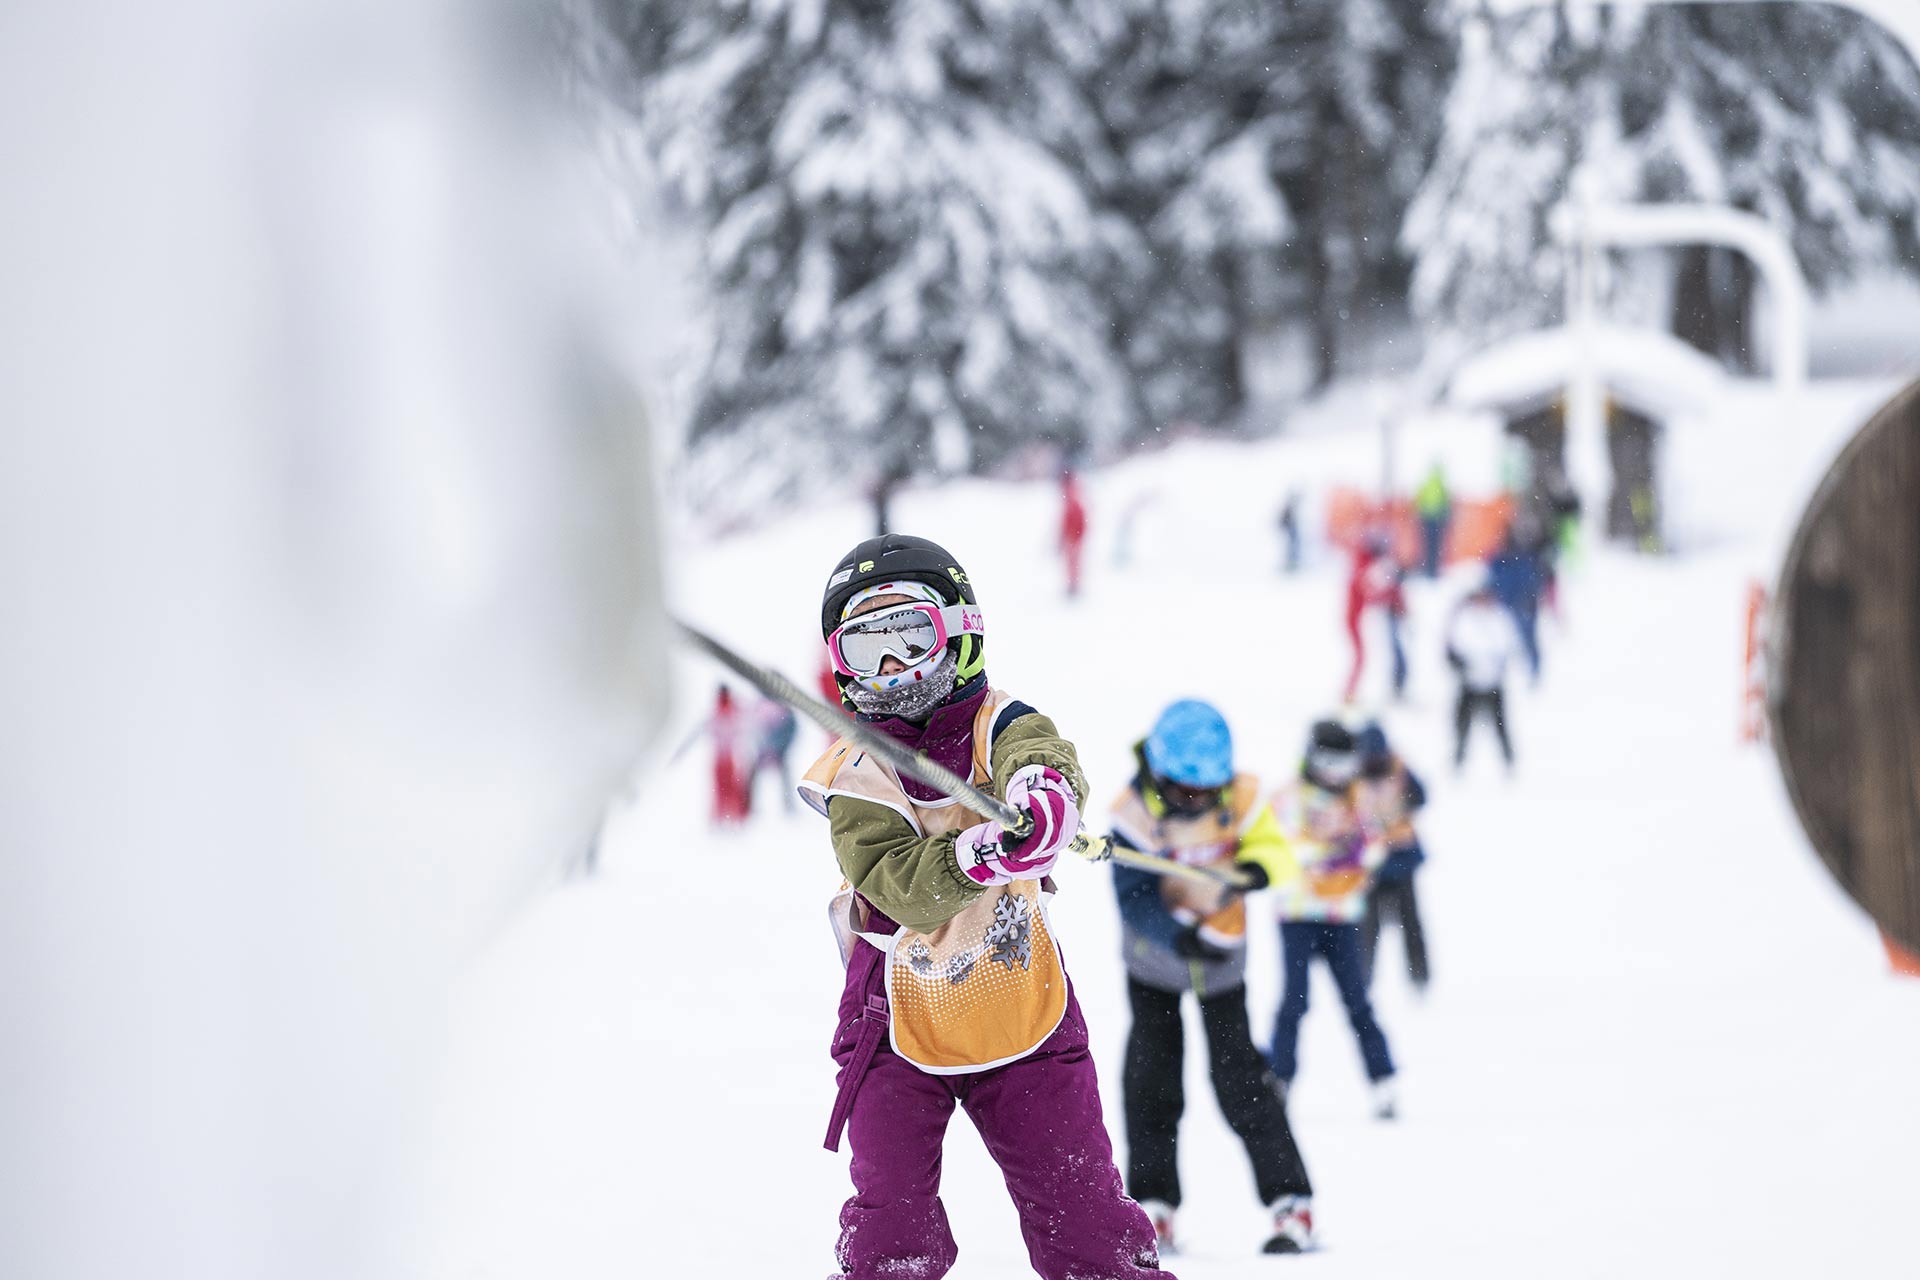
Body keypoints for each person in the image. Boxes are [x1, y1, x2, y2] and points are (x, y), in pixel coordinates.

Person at [798, 534, 1169, 1280]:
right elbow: (898, 884)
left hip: (1020, 1004)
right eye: (870, 651)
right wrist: (982, 854)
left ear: (960, 633)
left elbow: (1038, 751)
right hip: (894, 1023)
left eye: (912, 636)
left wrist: (1045, 795)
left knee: (1084, 1218)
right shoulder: (853, 773)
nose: (897, 668)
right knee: (892, 1228)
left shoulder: (998, 722)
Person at [1109, 701, 1317, 1257]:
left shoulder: (1242, 798)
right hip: (1153, 968)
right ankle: (1152, 1205)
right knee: (1152, 1081)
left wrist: (1253, 870)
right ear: (1160, 774)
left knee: (1241, 1080)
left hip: (1222, 967)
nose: (1200, 802)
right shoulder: (1132, 815)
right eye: (1188, 792)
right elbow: (1132, 899)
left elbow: (1278, 852)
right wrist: (1178, 935)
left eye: (1209, 792)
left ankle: (1290, 1199)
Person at [1267, 720, 1398, 1119]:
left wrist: (1353, 858)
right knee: (1294, 1001)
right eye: (1330, 763)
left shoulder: (1359, 799)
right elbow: (1287, 850)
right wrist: (1338, 852)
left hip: (1342, 916)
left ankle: (1383, 1081)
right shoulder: (1291, 797)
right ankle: (1279, 1078)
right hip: (1298, 915)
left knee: (1357, 1001)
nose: (1337, 775)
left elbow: (1375, 847)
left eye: (1345, 764)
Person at [1353, 724, 1430, 993]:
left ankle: (1419, 977)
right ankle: (1364, 980)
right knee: (1367, 928)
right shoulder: (1353, 778)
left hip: (1401, 860)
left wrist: (1400, 824)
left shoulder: (1400, 772)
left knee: (1410, 922)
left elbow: (1421, 797)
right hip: (1370, 867)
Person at [1446, 578, 1524, 769]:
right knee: (1462, 725)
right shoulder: (1464, 617)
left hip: (1493, 682)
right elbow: (1452, 646)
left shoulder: (1500, 616)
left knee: (1500, 725)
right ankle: (1458, 761)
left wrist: (1498, 665)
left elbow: (1509, 645)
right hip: (1469, 682)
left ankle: (1509, 761)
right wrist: (1461, 665)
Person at [1343, 537, 1408, 703]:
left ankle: (1354, 693)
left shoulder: (1364, 567)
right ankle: (1351, 694)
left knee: (1368, 657)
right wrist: (1389, 594)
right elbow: (1370, 591)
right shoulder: (1364, 568)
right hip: (1360, 621)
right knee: (1363, 658)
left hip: (1363, 620)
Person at [1487, 524, 1545, 680]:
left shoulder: (1524, 557)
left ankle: (1533, 672)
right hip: (1507, 605)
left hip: (1522, 604)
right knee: (1506, 641)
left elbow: (1533, 581)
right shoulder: (1501, 559)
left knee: (1527, 640)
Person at [751, 697, 799, 815]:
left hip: (777, 750)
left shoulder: (783, 712)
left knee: (784, 777)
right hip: (766, 750)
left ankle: (788, 805)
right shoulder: (763, 708)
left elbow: (789, 731)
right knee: (755, 777)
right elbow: (755, 730)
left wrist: (776, 748)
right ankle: (752, 806)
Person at [1414, 464, 1451, 578]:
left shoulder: (1427, 483)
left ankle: (1428, 569)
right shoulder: (1441, 485)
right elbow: (1446, 503)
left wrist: (1419, 516)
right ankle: (1432, 570)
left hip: (1427, 520)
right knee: (1435, 547)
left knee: (1427, 547)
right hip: (1437, 521)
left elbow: (1419, 501)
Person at [1060, 469, 1088, 599]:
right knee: (1072, 562)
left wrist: (1075, 535)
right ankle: (1073, 584)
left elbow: (1076, 518)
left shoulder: (1073, 499)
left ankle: (1074, 585)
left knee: (1074, 562)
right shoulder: (1072, 498)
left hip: (1074, 536)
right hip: (1073, 536)